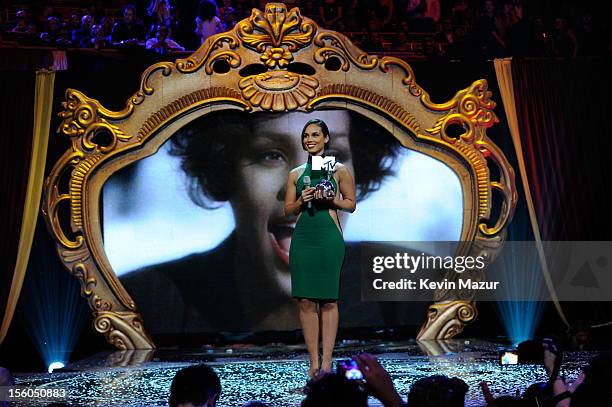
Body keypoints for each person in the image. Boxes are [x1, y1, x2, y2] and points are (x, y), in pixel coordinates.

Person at [119, 110, 402, 336]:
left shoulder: (409, 288)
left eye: (330, 158)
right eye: (271, 155)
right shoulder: (144, 302)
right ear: (224, 169)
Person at [284, 119, 356, 378]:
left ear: (326, 139)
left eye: (315, 134)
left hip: (328, 237)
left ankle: (327, 363)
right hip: (304, 237)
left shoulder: (338, 170)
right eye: (306, 135)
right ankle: (313, 363)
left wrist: (332, 199)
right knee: (305, 301)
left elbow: (350, 204)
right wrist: (301, 200)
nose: (310, 139)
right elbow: (287, 209)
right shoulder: (295, 173)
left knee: (328, 300)